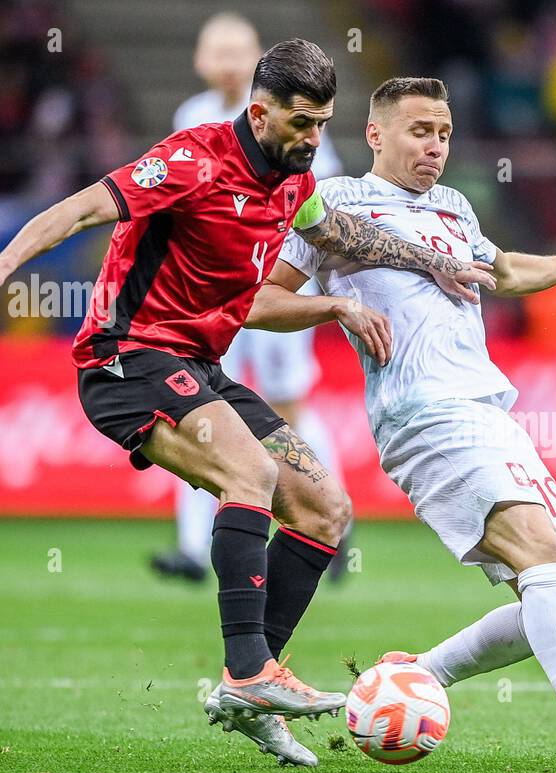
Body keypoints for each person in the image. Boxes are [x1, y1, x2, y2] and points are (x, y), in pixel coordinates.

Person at [0, 45, 494, 769]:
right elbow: (83, 208)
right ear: (258, 113)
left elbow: (346, 236)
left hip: (199, 367)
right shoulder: (193, 160)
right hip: (125, 356)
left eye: (323, 123)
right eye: (300, 123)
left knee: (325, 507)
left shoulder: (297, 183)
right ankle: (251, 671)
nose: (313, 140)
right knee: (251, 474)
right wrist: (4, 265)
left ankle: (246, 689)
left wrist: (429, 265)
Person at [253, 77, 556, 771]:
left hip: (489, 412)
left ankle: (415, 675)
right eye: (420, 130)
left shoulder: (454, 206)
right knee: (540, 557)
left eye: (445, 133)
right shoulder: (333, 202)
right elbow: (262, 301)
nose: (435, 146)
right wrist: (336, 310)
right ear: (375, 135)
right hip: (423, 415)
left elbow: (503, 271)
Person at [154, 12, 350, 584]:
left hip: (275, 284)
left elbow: (316, 201)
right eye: (218, 51)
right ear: (200, 60)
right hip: (213, 291)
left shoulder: (295, 115)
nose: (229, 62)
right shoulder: (191, 117)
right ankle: (193, 547)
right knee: (203, 406)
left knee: (286, 407)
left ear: (257, 58)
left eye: (239, 51)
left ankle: (331, 510)